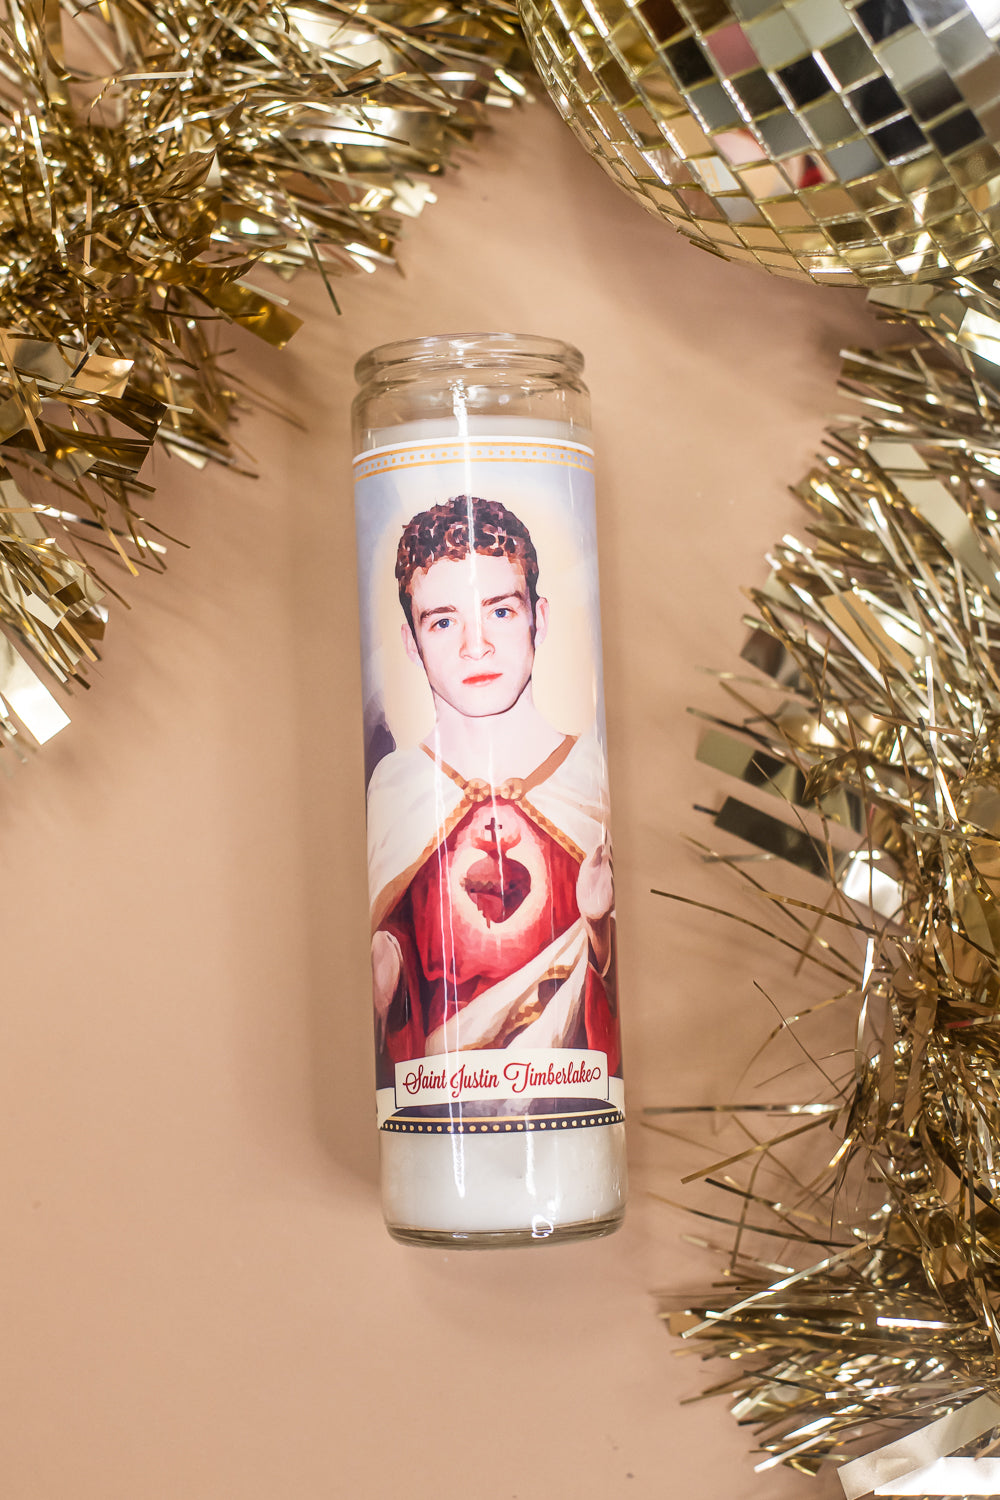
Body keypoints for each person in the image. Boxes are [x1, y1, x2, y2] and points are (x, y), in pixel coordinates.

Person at [366, 494, 619, 1088]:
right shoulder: (399, 787)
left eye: (500, 611)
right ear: (412, 644)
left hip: (568, 1095)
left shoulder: (586, 773)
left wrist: (600, 928)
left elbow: (611, 998)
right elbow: (394, 993)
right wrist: (387, 970)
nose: (474, 646)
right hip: (442, 1099)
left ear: (539, 619)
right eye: (444, 621)